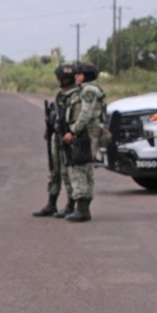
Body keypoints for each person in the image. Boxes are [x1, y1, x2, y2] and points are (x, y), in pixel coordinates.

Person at [62, 62, 106, 222]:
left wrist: (73, 131)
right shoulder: (92, 89)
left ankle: (82, 209)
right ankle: (84, 208)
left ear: (86, 75)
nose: (76, 76)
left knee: (79, 168)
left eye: (79, 74)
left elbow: (86, 113)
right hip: (90, 132)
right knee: (86, 168)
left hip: (86, 133)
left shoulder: (88, 90)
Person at [32, 63, 78, 218]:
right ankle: (51, 203)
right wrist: (49, 129)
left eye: (60, 78)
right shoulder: (62, 94)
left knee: (67, 172)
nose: (58, 80)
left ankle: (71, 204)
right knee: (54, 171)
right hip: (56, 137)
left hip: (68, 138)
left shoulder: (76, 95)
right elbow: (56, 115)